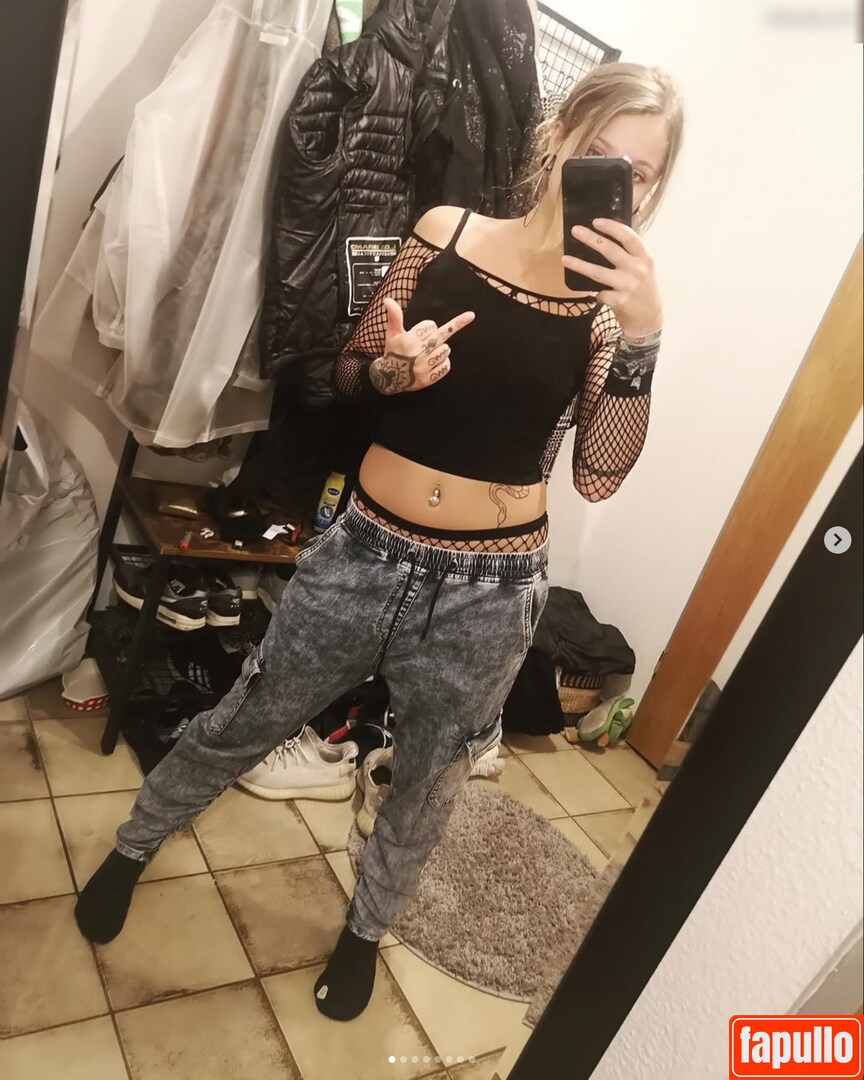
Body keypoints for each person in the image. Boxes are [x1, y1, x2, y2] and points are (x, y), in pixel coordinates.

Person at [75, 62, 684, 1022]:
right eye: (599, 151)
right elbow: (356, 369)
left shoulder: (610, 315)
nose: (614, 180)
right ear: (558, 134)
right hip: (364, 550)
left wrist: (645, 341)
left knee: (429, 781)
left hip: (491, 590)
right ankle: (134, 843)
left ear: (652, 189)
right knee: (249, 713)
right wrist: (397, 370)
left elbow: (599, 474)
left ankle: (365, 931)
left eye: (638, 173)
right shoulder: (444, 232)